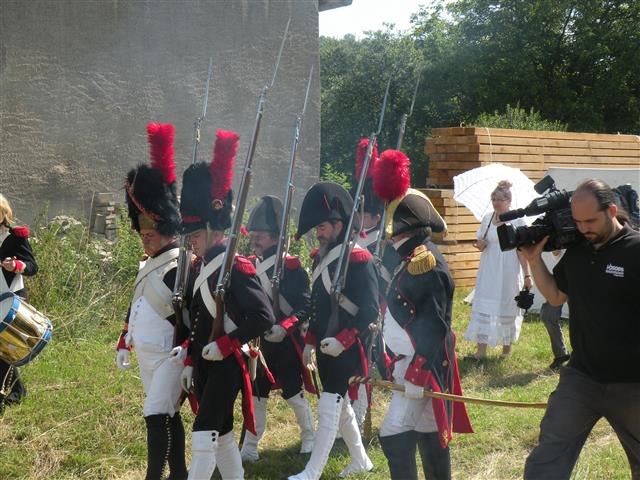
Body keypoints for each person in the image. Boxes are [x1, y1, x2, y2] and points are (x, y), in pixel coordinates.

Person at [520, 179, 640, 479]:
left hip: (632, 383)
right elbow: (555, 296)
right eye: (578, 222)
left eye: (591, 221)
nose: (584, 228)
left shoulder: (636, 250)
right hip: (582, 377)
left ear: (611, 211)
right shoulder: (577, 251)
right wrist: (534, 260)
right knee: (547, 457)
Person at [177, 128, 275, 480]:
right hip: (206, 362)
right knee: (223, 433)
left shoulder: (236, 266)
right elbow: (200, 320)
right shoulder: (200, 266)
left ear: (215, 231)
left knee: (204, 433)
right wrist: (191, 358)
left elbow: (263, 316)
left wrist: (225, 344)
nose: (190, 242)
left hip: (228, 361)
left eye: (195, 235)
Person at [372, 149, 473, 480]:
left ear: (405, 230)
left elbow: (435, 326)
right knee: (429, 431)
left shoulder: (423, 262)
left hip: (422, 365)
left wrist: (417, 373)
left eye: (395, 231)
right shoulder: (412, 259)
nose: (391, 237)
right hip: (412, 363)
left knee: (392, 433)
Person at [288, 182, 378, 480]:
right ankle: (361, 461)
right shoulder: (321, 258)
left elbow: (370, 310)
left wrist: (343, 340)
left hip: (351, 345)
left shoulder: (359, 260)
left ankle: (312, 472)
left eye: (323, 227)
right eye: (318, 227)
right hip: (327, 344)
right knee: (341, 405)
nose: (319, 233)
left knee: (329, 404)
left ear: (339, 225)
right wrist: (310, 342)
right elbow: (319, 306)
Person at [114, 122, 188, 480]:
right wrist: (123, 338)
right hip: (146, 352)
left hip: (170, 354)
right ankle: (180, 473)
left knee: (155, 414)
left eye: (151, 233)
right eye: (142, 233)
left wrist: (188, 349)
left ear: (167, 229)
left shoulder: (181, 265)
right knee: (168, 414)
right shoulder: (148, 265)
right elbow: (137, 303)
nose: (145, 238)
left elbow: (192, 314)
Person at [240, 195, 315, 462]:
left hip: (284, 342)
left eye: (260, 235)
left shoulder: (290, 266)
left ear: (275, 238)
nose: (255, 240)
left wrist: (284, 327)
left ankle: (309, 437)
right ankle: (250, 446)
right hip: (257, 343)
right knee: (256, 394)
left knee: (293, 392)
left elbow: (305, 305)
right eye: (253, 235)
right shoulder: (248, 265)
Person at [464, 180, 532, 359]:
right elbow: (480, 243)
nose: (496, 202)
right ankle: (480, 351)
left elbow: (522, 250)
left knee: (507, 306)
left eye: (500, 199)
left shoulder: (517, 220)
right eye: (493, 199)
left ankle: (506, 350)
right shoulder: (487, 219)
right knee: (485, 306)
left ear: (509, 201)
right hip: (489, 269)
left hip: (509, 269)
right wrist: (480, 244)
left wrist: (527, 275)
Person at [0, 193, 38, 411]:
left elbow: (32, 267)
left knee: (4, 346)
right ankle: (17, 391)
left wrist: (16, 266)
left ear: (3, 212)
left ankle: (14, 392)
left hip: (12, 297)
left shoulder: (15, 235)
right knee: (2, 348)